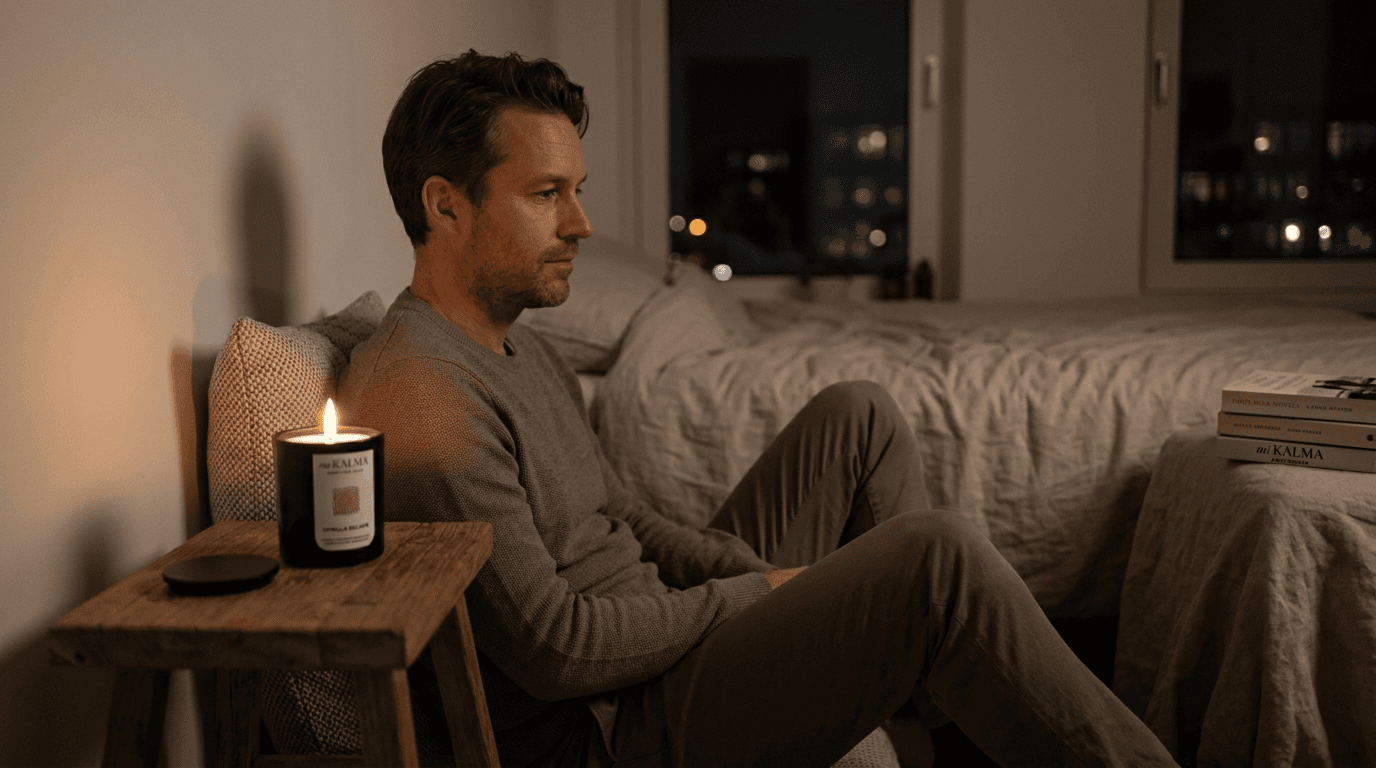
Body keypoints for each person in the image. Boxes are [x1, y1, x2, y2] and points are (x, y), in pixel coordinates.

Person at [338, 50, 1178, 768]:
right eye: (546, 193)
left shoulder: (523, 346)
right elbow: (559, 650)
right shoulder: (425, 396)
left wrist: (747, 571)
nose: (582, 224)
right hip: (614, 725)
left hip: (658, 636)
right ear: (445, 204)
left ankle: (953, 716)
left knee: (859, 416)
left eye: (577, 191)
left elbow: (624, 515)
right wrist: (751, 596)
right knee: (938, 556)